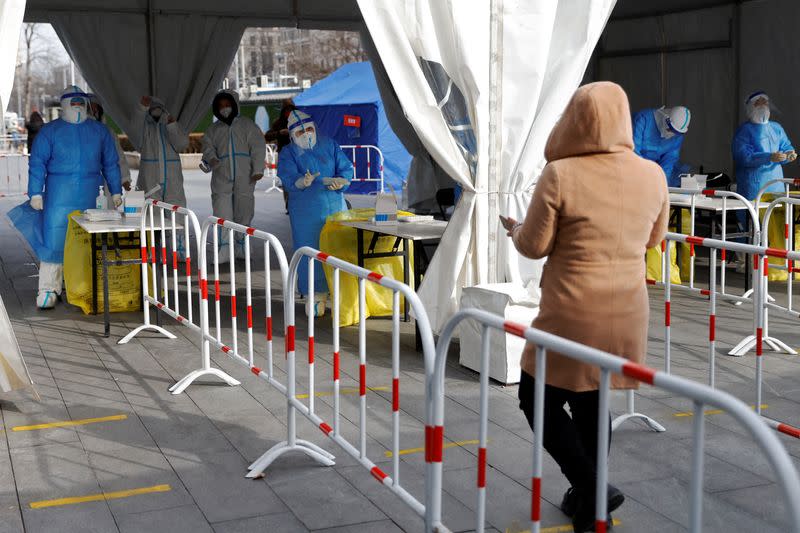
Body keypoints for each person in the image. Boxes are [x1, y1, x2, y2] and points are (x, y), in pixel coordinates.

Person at [500, 82, 669, 532]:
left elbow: (535, 246)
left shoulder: (561, 174)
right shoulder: (652, 174)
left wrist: (514, 230)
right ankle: (591, 508)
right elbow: (654, 239)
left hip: (571, 310)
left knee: (535, 397)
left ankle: (591, 489)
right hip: (626, 310)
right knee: (594, 399)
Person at [10, 86, 122, 309]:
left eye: (81, 102)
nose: (78, 106)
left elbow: (111, 162)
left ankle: (84, 287)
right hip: (58, 196)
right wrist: (35, 191)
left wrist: (116, 190)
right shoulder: (50, 131)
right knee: (54, 239)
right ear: (63, 105)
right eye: (73, 102)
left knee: (87, 240)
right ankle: (48, 288)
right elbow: (38, 162)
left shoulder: (100, 131)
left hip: (92, 195)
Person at [277, 110, 353, 317]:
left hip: (335, 207)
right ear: (292, 134)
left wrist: (342, 181)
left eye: (309, 129)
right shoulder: (288, 153)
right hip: (305, 211)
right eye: (300, 131)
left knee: (339, 249)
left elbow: (346, 168)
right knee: (311, 251)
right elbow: (286, 175)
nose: (306, 133)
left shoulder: (330, 145)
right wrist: (301, 181)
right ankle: (316, 293)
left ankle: (341, 293)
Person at [732, 91, 797, 279]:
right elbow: (742, 156)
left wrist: (790, 154)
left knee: (775, 224)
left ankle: (775, 264)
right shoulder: (744, 131)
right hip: (753, 185)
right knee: (752, 223)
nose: (763, 106)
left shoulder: (776, 128)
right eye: (758, 103)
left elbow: (785, 146)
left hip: (775, 185)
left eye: (765, 102)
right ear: (750, 107)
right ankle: (746, 261)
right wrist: (768, 157)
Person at [202, 90, 266, 261]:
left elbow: (258, 146)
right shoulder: (213, 130)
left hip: (245, 176)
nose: (224, 108)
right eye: (221, 106)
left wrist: (258, 169)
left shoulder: (247, 125)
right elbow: (207, 147)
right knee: (222, 212)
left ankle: (242, 248)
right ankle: (224, 251)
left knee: (243, 212)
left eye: (227, 104)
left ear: (234, 105)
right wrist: (212, 159)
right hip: (221, 176)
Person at [633, 106, 691, 284]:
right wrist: (646, 175)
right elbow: (633, 149)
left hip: (653, 179)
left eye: (676, 132)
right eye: (670, 129)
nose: (671, 134)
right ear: (665, 119)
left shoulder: (677, 135)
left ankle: (678, 270)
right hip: (635, 174)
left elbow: (670, 159)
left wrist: (661, 181)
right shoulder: (644, 119)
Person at [129, 95, 189, 205]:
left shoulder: (170, 126)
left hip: (172, 181)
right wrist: (141, 109)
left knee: (175, 213)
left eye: (159, 107)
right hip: (150, 181)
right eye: (152, 108)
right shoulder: (145, 128)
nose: (156, 110)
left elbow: (182, 144)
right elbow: (134, 132)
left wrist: (172, 126)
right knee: (152, 213)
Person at [88, 94, 132, 195]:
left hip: (107, 180)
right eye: (90, 108)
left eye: (96, 108)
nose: (93, 111)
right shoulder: (78, 131)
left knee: (107, 207)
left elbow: (118, 155)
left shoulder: (109, 131)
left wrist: (125, 179)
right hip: (86, 181)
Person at [265, 100, 297, 213]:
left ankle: (300, 204)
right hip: (284, 156)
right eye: (286, 110)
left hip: (300, 156)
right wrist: (279, 133)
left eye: (291, 110)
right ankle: (289, 206)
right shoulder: (278, 123)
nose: (289, 112)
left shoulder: (300, 121)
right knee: (287, 182)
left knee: (301, 180)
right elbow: (268, 136)